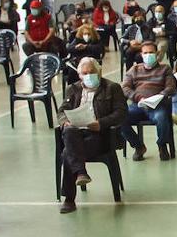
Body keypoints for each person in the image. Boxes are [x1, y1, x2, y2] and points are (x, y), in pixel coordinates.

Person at [55, 58, 128, 214]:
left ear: (99, 72)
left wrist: (100, 123)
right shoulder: (72, 89)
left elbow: (121, 113)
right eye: (85, 73)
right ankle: (80, 172)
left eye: (92, 72)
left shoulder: (112, 88)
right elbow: (62, 111)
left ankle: (69, 199)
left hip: (99, 136)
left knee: (68, 153)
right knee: (69, 132)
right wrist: (65, 122)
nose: (88, 76)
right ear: (79, 75)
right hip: (75, 133)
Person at [120, 42, 176, 161]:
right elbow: (125, 88)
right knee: (119, 118)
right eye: (145, 53)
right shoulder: (134, 69)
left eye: (151, 52)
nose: (148, 55)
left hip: (157, 105)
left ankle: (162, 145)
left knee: (161, 118)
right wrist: (137, 97)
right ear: (141, 54)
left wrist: (160, 96)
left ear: (157, 53)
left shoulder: (165, 69)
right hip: (138, 105)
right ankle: (138, 146)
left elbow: (171, 87)